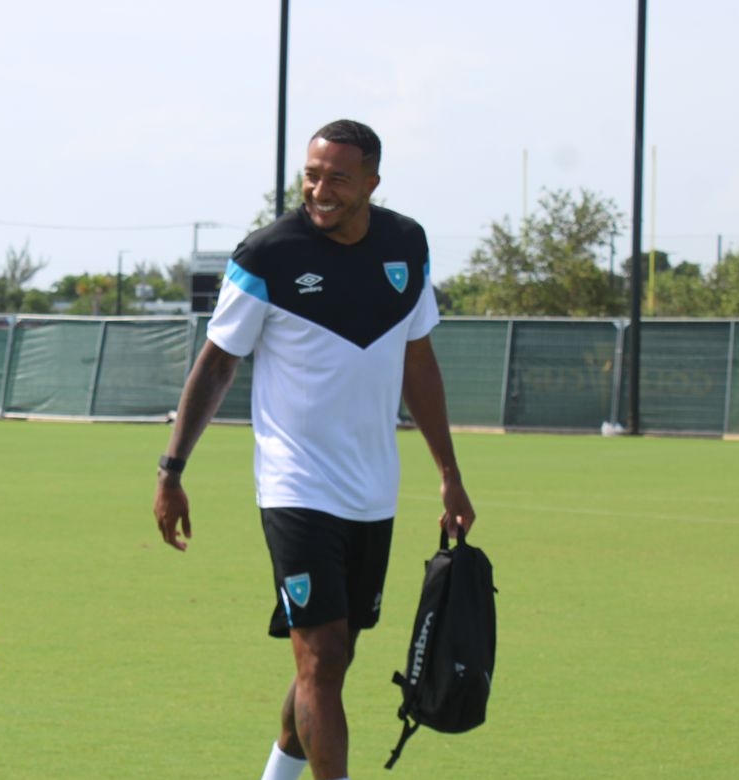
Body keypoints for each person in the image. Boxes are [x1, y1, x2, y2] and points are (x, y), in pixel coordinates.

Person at [151, 119, 477, 780]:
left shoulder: (406, 244)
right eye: (311, 174)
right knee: (321, 658)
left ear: (372, 183)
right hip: (294, 487)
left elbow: (419, 362)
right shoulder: (268, 254)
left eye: (337, 178)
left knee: (331, 662)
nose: (318, 189)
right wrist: (172, 468)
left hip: (372, 491)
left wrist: (450, 474)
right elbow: (217, 365)